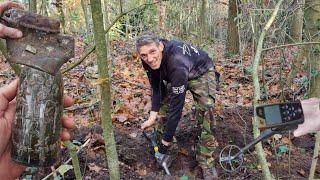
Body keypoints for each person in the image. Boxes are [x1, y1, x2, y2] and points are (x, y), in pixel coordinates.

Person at [0, 2, 74, 179]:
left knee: (52, 118)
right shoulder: (32, 66)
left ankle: (42, 153)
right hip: (14, 151)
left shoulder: (50, 65)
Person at [137, 32, 219, 179]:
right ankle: (171, 151)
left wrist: (164, 143)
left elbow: (176, 109)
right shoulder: (147, 59)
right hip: (178, 74)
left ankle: (206, 160)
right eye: (144, 55)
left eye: (152, 52)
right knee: (163, 110)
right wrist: (152, 116)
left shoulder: (176, 63)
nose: (149, 58)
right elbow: (156, 87)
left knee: (205, 111)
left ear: (160, 46)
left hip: (201, 72)